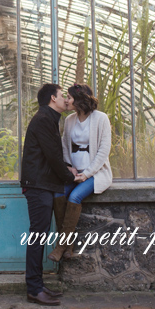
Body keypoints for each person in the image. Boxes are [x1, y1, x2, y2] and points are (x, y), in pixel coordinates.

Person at [20, 83, 85, 306]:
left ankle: (37, 286)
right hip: (38, 185)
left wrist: (68, 168)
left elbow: (53, 155)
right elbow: (52, 156)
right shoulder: (44, 120)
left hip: (42, 184)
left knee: (40, 234)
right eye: (61, 96)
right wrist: (71, 177)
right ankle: (34, 289)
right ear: (52, 99)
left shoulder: (48, 119)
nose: (65, 100)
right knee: (37, 236)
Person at [48, 83, 112, 262]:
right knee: (58, 193)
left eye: (68, 97)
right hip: (74, 173)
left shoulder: (101, 119)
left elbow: (103, 151)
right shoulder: (69, 120)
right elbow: (65, 145)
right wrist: (69, 167)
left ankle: (61, 246)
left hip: (95, 173)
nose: (66, 101)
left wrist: (87, 174)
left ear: (79, 99)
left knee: (74, 197)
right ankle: (68, 247)